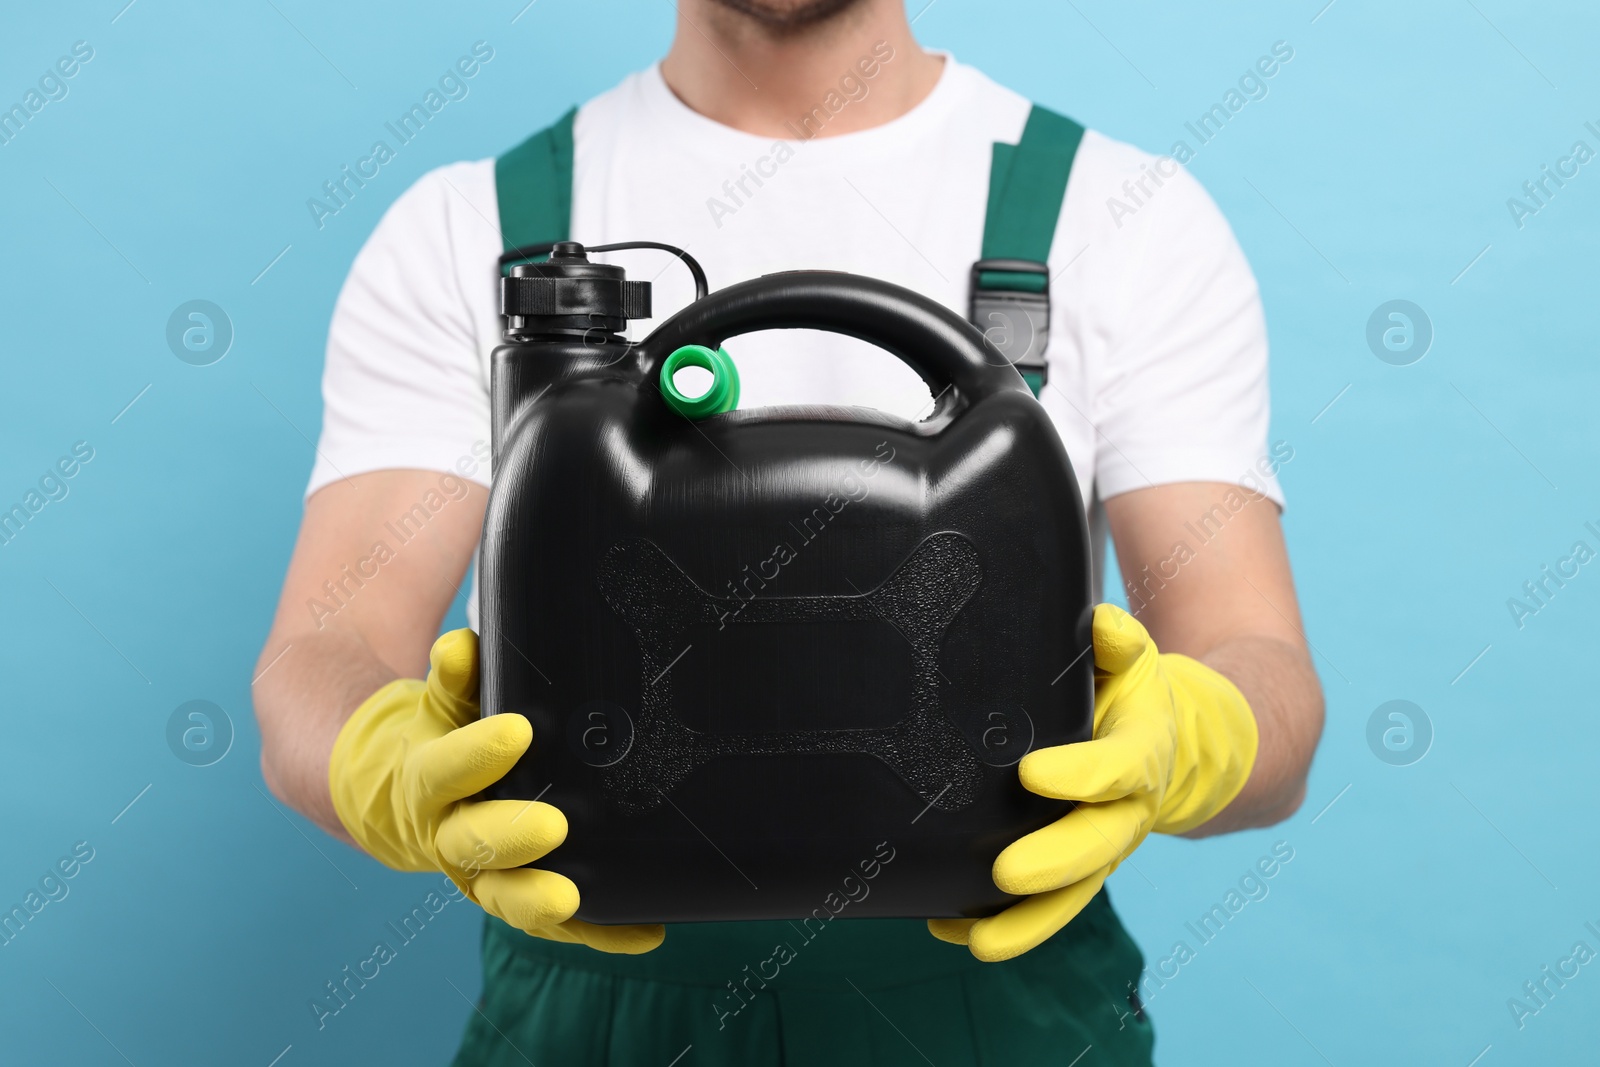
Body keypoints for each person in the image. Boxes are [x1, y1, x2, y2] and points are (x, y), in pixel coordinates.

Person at [253, 0, 1325, 1062]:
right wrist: (378, 763)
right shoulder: (471, 227)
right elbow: (321, 653)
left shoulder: (1122, 215)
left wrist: (1193, 737)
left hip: (999, 1010)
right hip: (592, 1007)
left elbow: (1262, 669)